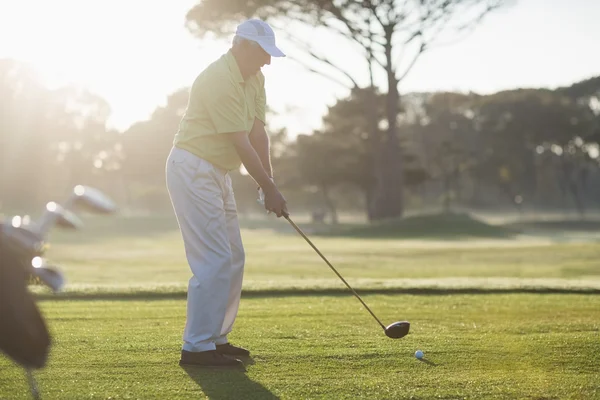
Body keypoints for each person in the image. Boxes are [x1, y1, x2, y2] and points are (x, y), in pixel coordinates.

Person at [165, 18, 288, 368]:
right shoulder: (219, 78)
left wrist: (269, 186)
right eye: (264, 53)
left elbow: (258, 135)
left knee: (233, 257)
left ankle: (216, 338)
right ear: (243, 46)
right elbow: (241, 143)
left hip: (217, 172)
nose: (268, 61)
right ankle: (196, 347)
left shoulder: (255, 77)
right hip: (192, 168)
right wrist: (268, 187)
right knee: (215, 258)